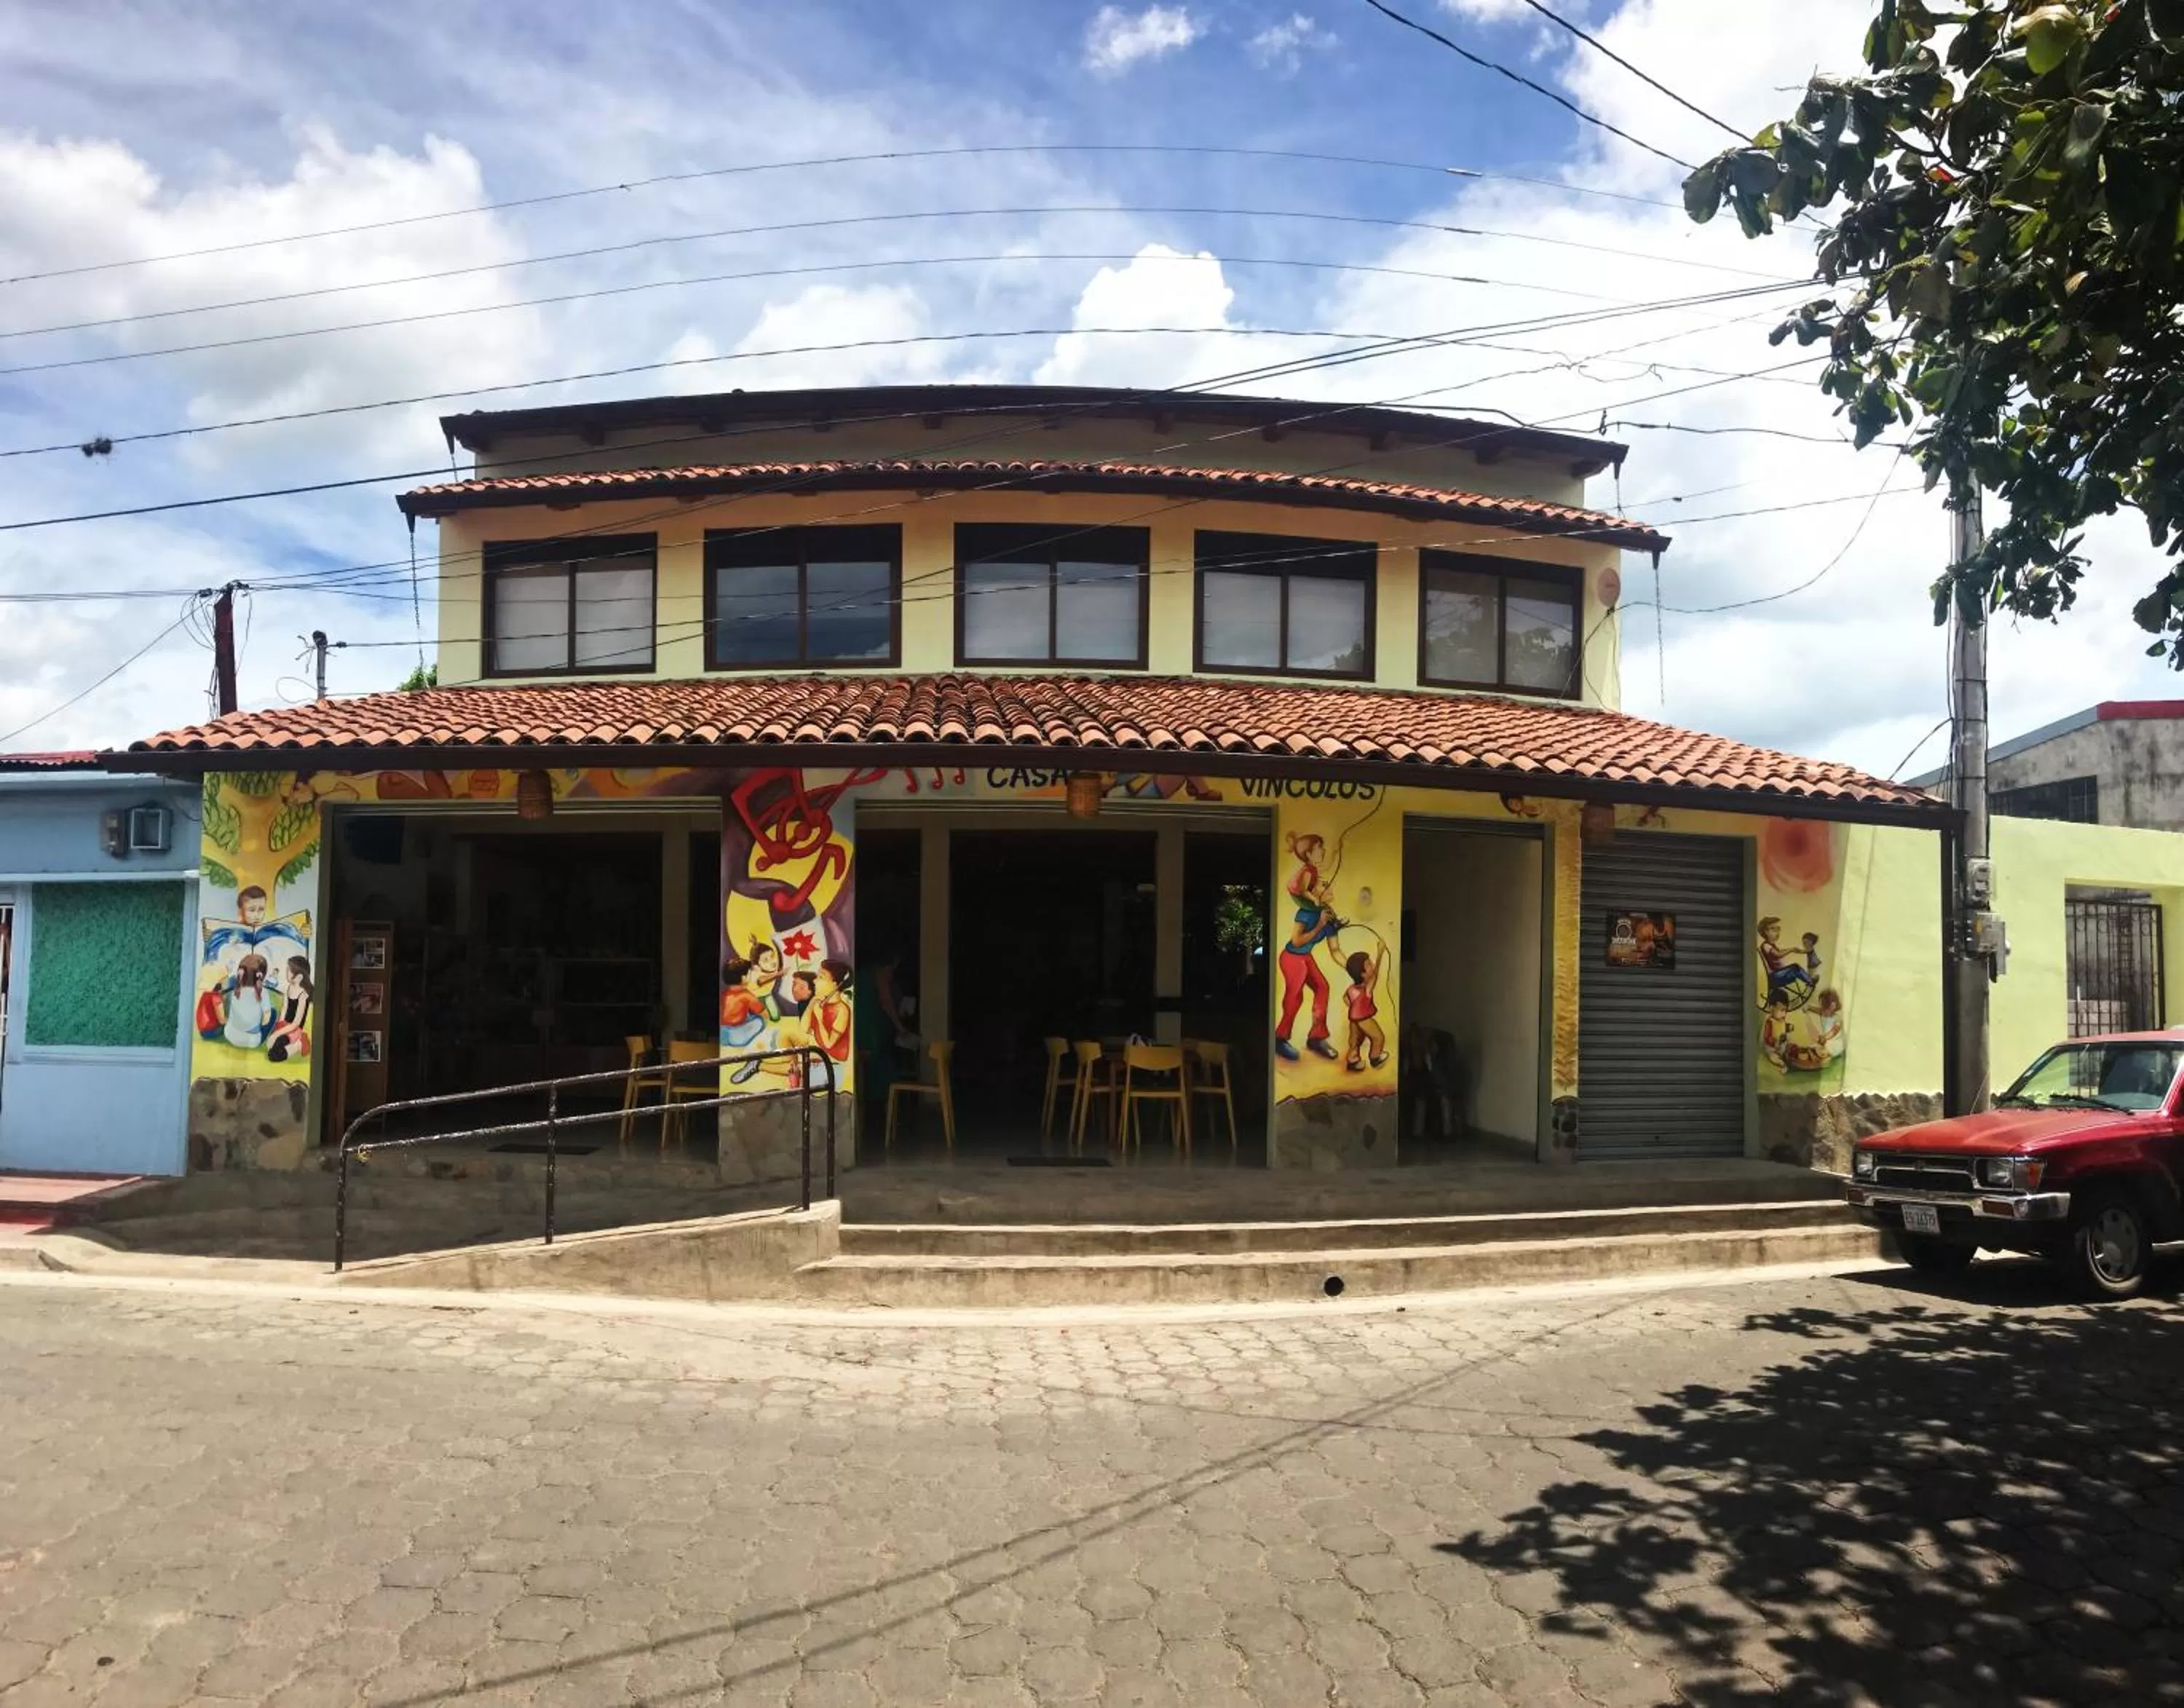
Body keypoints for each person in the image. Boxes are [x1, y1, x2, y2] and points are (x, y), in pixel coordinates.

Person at [1275, 831, 1342, 1061]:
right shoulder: (1307, 912)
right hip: (1292, 956)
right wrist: (1319, 926)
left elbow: (1335, 950)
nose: (1327, 885)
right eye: (1323, 884)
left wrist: (1352, 970)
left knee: (1322, 987)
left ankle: (1317, 1037)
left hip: (1304, 957)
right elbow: (1296, 942)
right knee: (1296, 996)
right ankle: (1280, 1038)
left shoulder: (1328, 915)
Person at [719, 954, 774, 1084]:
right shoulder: (746, 995)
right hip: (737, 1036)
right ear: (744, 978)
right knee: (759, 1021)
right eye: (749, 974)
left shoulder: (725, 993)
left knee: (748, 1017)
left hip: (724, 1034)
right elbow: (765, 1014)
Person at [1342, 945, 1389, 1072]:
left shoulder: (1352, 989)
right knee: (1378, 1037)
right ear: (1363, 974)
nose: (1372, 965)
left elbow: (1345, 999)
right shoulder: (1367, 989)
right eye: (1369, 964)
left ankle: (1353, 1061)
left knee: (1355, 1041)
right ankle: (1375, 1057)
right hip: (1363, 1018)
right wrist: (1380, 954)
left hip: (1354, 1018)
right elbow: (1376, 975)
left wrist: (1355, 1009)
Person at [221, 954, 275, 1051]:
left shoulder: (236, 990)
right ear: (261, 975)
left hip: (230, 1035)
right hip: (252, 1041)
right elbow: (266, 1020)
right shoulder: (262, 992)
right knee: (273, 1012)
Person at [266, 956, 313, 1063]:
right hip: (285, 1026)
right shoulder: (289, 988)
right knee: (270, 1045)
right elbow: (284, 1010)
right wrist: (279, 1027)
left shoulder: (303, 995)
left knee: (274, 1055)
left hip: (295, 1029)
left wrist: (277, 1034)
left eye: (289, 970)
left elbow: (296, 1023)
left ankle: (300, 1044)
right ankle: (292, 1043)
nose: (286, 972)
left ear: (299, 977)